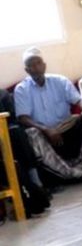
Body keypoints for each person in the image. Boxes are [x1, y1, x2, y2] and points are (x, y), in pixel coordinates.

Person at [15, 48, 82, 182]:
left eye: (38, 63)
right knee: (31, 133)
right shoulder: (22, 89)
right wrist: (46, 130)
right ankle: (57, 178)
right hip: (44, 134)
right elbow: (23, 118)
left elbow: (78, 100)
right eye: (31, 66)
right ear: (27, 70)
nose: (36, 67)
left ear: (44, 65)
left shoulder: (60, 81)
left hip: (67, 127)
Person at [0, 88, 49, 216]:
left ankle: (35, 186)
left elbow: (10, 118)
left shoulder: (2, 94)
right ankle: (30, 191)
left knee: (17, 134)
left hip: (6, 135)